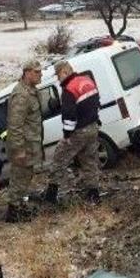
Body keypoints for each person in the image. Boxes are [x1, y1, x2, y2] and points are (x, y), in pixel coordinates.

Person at [43, 61, 102, 205]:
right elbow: (97, 103)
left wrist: (67, 135)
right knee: (89, 161)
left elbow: (69, 115)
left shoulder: (69, 89)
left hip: (79, 131)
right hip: (93, 127)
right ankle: (93, 194)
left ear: (64, 72)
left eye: (58, 75)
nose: (58, 79)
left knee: (59, 158)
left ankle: (51, 194)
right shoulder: (87, 80)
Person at [4, 60, 43, 223]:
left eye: (40, 72)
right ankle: (13, 212)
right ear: (27, 73)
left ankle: (19, 205)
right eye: (37, 72)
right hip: (23, 146)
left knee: (25, 176)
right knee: (19, 177)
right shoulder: (21, 95)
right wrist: (19, 149)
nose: (40, 74)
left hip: (31, 144)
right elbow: (15, 125)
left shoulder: (32, 91)